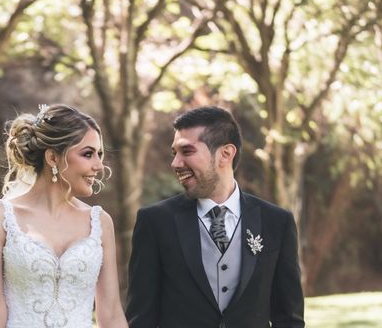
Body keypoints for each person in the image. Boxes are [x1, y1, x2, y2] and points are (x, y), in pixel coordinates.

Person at [126, 106, 305, 328]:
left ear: (225, 154)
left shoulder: (277, 222)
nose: (175, 163)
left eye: (187, 151)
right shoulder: (154, 222)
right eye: (175, 153)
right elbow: (140, 318)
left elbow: (289, 318)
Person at [0, 104, 128, 328]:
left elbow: (112, 313)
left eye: (99, 154)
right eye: (88, 154)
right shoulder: (0, 217)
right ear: (53, 158)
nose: (98, 165)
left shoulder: (100, 222)